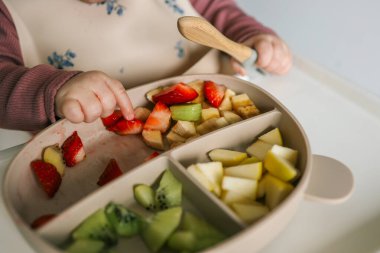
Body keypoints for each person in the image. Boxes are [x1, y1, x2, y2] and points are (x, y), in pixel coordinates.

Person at [0, 0, 292, 131]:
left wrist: (253, 36)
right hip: (111, 140)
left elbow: (219, 10)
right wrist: (56, 91)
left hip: (227, 104)